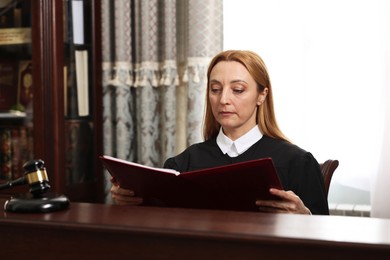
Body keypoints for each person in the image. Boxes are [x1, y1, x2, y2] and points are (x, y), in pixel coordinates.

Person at [111, 50, 329, 215]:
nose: (223, 99)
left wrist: (305, 217)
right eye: (215, 89)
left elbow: (324, 244)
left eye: (238, 90)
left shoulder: (298, 163)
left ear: (261, 96)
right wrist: (132, 200)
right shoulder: (183, 164)